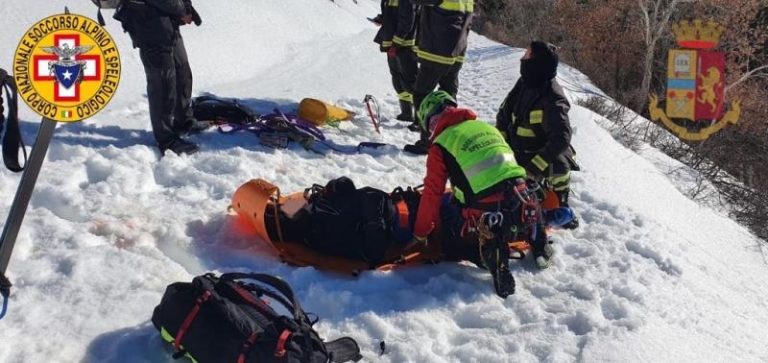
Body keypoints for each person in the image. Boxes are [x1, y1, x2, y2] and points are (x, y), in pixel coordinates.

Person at [408, 91, 553, 298]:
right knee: (520, 207)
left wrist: (421, 232)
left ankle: (491, 253)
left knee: (451, 239)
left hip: (488, 212)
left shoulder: (441, 145)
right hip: (523, 199)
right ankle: (538, 240)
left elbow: (432, 193)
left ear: (432, 122)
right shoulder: (486, 127)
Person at [496, 41, 580, 229]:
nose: (522, 58)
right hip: (515, 147)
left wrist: (533, 168)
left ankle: (561, 204)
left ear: (537, 62)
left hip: (539, 154)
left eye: (527, 55)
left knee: (559, 165)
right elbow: (503, 113)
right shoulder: (524, 83)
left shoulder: (553, 97)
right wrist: (500, 144)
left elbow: (562, 138)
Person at [114, 0, 208, 155]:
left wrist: (187, 7)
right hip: (148, 26)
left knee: (182, 72)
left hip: (168, 23)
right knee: (162, 83)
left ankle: (184, 120)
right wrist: (183, 10)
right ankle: (166, 138)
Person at [403, 0, 474, 155]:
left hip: (438, 52)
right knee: (449, 94)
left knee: (422, 94)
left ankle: (427, 141)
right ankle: (448, 139)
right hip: (457, 51)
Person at [373, 0, 419, 122]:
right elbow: (391, 15)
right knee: (397, 79)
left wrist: (396, 44)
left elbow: (407, 22)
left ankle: (421, 119)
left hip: (404, 46)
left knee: (411, 82)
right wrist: (381, 18)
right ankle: (407, 113)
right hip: (392, 45)